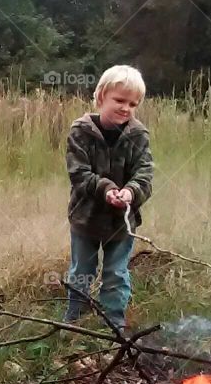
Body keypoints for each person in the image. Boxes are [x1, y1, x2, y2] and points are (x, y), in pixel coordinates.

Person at [63, 65, 153, 331]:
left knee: (116, 273)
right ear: (101, 97)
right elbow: (78, 173)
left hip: (122, 223)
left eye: (132, 103)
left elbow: (145, 174)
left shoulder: (138, 135)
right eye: (119, 100)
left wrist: (131, 191)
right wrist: (105, 189)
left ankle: (114, 324)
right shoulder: (80, 131)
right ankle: (75, 321)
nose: (126, 108)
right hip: (85, 217)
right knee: (81, 271)